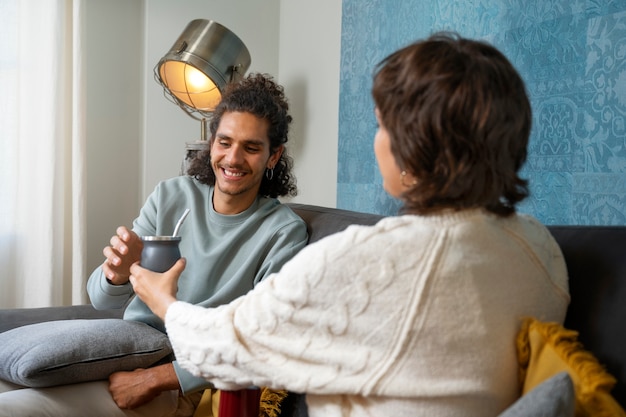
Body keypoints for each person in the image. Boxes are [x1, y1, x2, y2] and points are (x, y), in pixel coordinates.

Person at [130, 33, 570, 417]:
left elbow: (226, 348)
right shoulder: (540, 248)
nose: (376, 141)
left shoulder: (368, 259)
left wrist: (166, 302)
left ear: (413, 143)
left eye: (381, 126)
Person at [0, 73, 308, 416]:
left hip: (180, 380)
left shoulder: (282, 233)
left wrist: (155, 379)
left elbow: (262, 342)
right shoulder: (171, 196)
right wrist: (116, 275)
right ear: (211, 143)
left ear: (273, 155)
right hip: (125, 349)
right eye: (224, 142)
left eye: (251, 148)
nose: (233, 159)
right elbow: (100, 300)